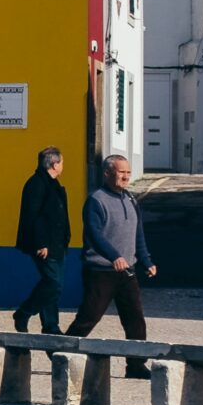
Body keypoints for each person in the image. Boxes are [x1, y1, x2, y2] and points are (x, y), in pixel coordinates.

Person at [69, 153, 156, 374]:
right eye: (121, 172)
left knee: (135, 319)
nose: (126, 176)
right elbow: (94, 235)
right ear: (107, 173)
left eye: (128, 172)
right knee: (89, 317)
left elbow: (138, 234)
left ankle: (136, 365)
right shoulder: (96, 200)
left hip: (127, 271)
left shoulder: (130, 199)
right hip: (100, 271)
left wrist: (146, 261)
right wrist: (114, 256)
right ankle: (64, 351)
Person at [12, 146, 71, 334]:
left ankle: (51, 326)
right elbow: (34, 216)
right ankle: (24, 312)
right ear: (54, 164)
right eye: (61, 162)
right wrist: (41, 243)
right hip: (46, 245)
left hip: (57, 243)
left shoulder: (52, 183)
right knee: (53, 283)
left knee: (52, 284)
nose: (63, 165)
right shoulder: (37, 184)